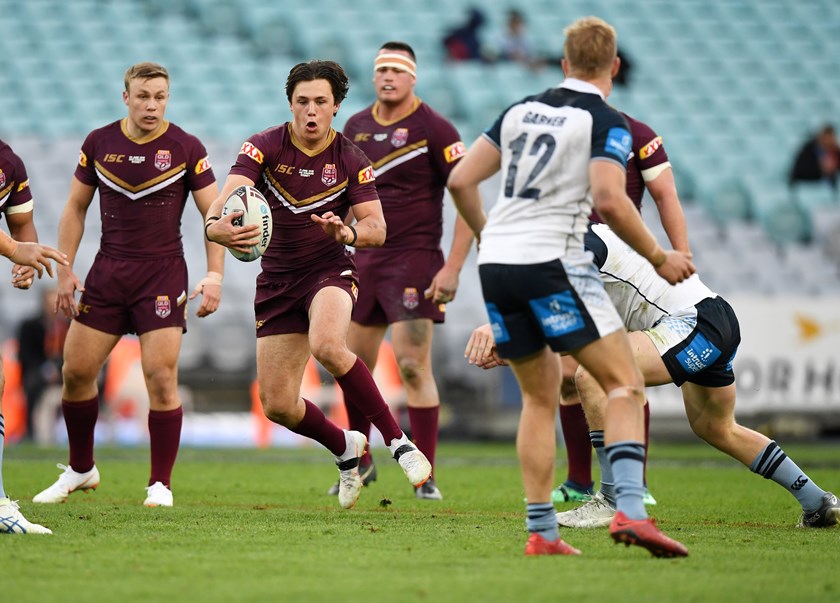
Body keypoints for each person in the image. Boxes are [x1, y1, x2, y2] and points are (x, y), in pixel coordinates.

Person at [446, 16, 694, 556]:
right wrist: (658, 255)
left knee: (538, 397)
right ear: (615, 67)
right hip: (554, 260)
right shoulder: (607, 120)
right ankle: (629, 511)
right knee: (624, 383)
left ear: (563, 64)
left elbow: (461, 180)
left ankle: (542, 532)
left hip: (500, 264)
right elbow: (609, 198)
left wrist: (491, 235)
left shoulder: (520, 109)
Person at [467, 223, 840, 530]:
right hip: (714, 318)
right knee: (717, 428)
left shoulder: (576, 238)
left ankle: (612, 500)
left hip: (691, 322)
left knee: (594, 376)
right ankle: (815, 500)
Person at [204, 60, 432, 510]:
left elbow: (377, 228)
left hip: (330, 270)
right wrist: (218, 229)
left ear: (337, 106)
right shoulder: (262, 148)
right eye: (302, 101)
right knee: (278, 404)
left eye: (320, 102)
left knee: (328, 344)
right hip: (277, 281)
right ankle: (346, 449)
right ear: (290, 104)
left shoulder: (351, 159)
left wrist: (346, 234)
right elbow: (222, 206)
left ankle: (398, 442)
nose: (311, 111)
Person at [33, 62, 225, 508]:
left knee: (160, 377)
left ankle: (160, 483)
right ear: (126, 97)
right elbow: (75, 209)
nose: (152, 105)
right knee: (76, 372)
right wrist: (66, 269)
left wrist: (214, 274)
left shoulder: (186, 147)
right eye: (143, 96)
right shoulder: (99, 142)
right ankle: (82, 469)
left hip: (162, 274)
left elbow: (213, 215)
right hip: (108, 272)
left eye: (160, 96)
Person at [332, 42, 474, 501]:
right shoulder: (355, 126)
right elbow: (346, 198)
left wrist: (452, 267)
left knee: (413, 365)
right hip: (364, 258)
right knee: (353, 364)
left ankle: (424, 473)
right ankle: (359, 460)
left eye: (397, 70)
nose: (388, 77)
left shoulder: (435, 128)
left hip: (415, 258)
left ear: (413, 78)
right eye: (381, 70)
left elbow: (467, 198)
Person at [555, 111, 691, 505]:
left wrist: (681, 252)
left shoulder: (639, 134)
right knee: (568, 375)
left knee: (620, 371)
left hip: (619, 268)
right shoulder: (559, 134)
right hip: (574, 259)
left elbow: (665, 194)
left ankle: (637, 482)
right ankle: (579, 480)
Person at [1, 137, 69, 534]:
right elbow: (15, 244)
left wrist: (26, 257)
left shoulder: (9, 162)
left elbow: (21, 222)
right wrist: (14, 251)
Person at [17, 286, 69, 444]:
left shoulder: (69, 326)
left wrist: (58, 369)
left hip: (63, 371)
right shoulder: (30, 325)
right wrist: (45, 369)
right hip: (38, 371)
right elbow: (25, 355)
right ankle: (30, 430)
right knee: (33, 384)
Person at [789, 124, 839, 192]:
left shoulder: (835, 151)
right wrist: (821, 168)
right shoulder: (809, 149)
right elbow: (799, 171)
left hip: (826, 188)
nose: (828, 141)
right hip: (805, 186)